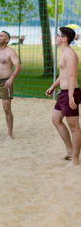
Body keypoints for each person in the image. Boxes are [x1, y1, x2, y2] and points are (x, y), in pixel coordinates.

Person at [46, 27, 81, 166]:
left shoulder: (70, 54)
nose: (55, 37)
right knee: (56, 119)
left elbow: (72, 75)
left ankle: (76, 159)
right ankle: (70, 150)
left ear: (65, 38)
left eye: (58, 35)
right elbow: (63, 74)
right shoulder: (63, 52)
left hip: (70, 93)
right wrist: (53, 86)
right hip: (64, 93)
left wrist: (72, 96)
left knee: (74, 127)